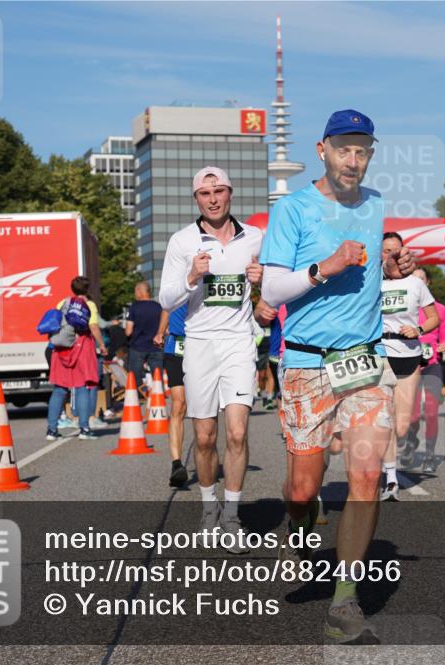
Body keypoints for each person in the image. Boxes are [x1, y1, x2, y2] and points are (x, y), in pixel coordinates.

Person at [261, 109, 416, 644]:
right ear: (323, 149)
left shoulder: (374, 204)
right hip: (305, 363)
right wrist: (324, 267)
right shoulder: (293, 209)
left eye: (363, 150)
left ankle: (345, 602)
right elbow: (272, 292)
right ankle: (299, 527)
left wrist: (389, 269)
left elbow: (369, 268)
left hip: (363, 362)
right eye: (344, 149)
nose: (353, 159)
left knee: (367, 475)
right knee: (304, 487)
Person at [158, 166, 264, 549]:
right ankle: (209, 509)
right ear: (196, 199)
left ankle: (233, 516)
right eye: (205, 193)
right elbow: (165, 300)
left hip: (238, 342)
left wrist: (262, 278)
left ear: (230, 193)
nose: (214, 198)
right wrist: (190, 277)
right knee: (205, 438)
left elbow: (276, 288)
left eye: (219, 190)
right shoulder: (182, 241)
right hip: (199, 344)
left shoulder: (254, 237)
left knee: (237, 432)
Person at [378, 233, 439, 500]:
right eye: (385, 250)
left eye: (395, 250)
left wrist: (418, 329)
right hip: (381, 354)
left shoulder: (416, 284)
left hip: (408, 355)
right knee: (385, 418)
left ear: (404, 253)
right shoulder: (373, 282)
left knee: (401, 426)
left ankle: (388, 466)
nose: (390, 255)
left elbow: (434, 317)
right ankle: (390, 478)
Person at [46, 276, 107, 440]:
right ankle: (84, 429)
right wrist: (101, 345)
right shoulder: (89, 305)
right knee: (81, 388)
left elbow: (55, 323)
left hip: (62, 348)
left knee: (59, 389)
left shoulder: (63, 303)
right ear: (87, 289)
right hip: (82, 347)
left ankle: (51, 430)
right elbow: (93, 326)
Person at [407, 268, 445, 474]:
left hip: (431, 364)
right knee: (412, 416)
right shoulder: (405, 307)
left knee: (432, 411)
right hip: (409, 365)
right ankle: (410, 439)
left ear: (428, 283)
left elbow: (444, 337)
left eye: (421, 279)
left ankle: (430, 455)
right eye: (414, 279)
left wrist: (444, 345)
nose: (418, 282)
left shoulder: (439, 309)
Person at [157, 305, 189, 488]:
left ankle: (207, 453)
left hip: (202, 346)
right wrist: (160, 332)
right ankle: (176, 464)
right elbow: (167, 307)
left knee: (206, 411)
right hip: (175, 347)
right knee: (179, 405)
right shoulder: (174, 280)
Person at [125, 281, 164, 387]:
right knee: (158, 377)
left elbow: (128, 331)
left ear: (139, 291)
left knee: (135, 377)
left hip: (137, 347)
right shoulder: (159, 307)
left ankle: (137, 397)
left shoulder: (134, 307)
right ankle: (159, 398)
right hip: (156, 347)